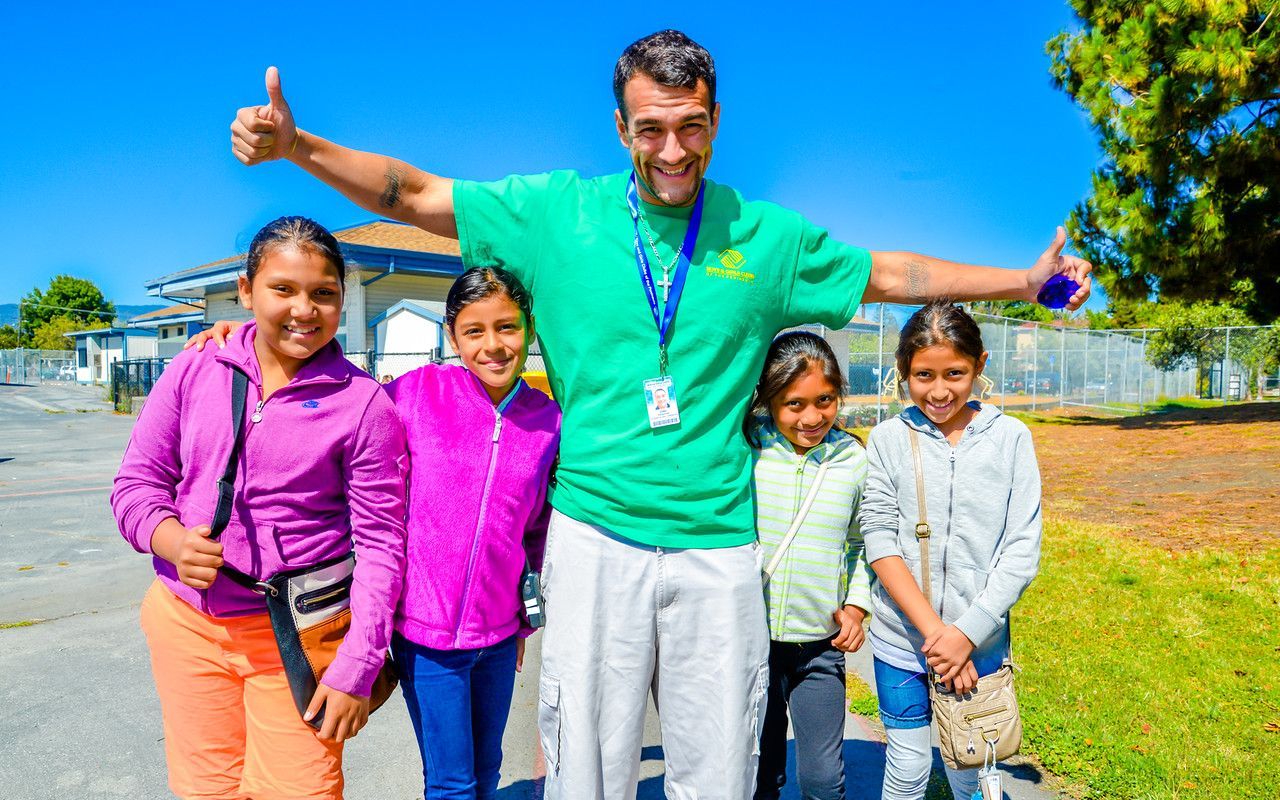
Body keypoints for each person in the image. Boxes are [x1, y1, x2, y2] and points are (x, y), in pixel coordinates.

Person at [224, 30, 1089, 798]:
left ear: (716, 121)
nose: (672, 149)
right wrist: (298, 146)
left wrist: (1021, 282)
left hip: (718, 544)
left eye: (691, 126)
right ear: (620, 128)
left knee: (716, 764)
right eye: (650, 128)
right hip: (596, 534)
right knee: (588, 763)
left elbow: (893, 276)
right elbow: (412, 195)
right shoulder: (556, 212)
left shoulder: (767, 236)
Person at [111, 217, 408, 800]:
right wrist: (169, 539)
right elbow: (136, 484)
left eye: (324, 293)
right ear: (246, 291)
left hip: (297, 636)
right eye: (283, 289)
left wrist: (359, 665)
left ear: (342, 300)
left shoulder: (363, 405)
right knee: (206, 789)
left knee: (302, 790)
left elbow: (382, 546)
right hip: (186, 625)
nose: (305, 308)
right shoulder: (196, 368)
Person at [384, 266, 560, 800]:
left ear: (528, 328)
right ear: (451, 334)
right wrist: (241, 336)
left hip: (500, 638)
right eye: (474, 331)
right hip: (425, 637)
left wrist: (523, 622)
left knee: (488, 772)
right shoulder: (414, 394)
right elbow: (331, 403)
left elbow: (536, 532)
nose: (494, 345)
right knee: (453, 784)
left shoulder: (546, 419)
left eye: (507, 327)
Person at [858, 301, 1042, 800]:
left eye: (955, 373)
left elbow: (1022, 549)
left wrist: (968, 633)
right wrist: (941, 637)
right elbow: (879, 540)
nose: (939, 390)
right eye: (923, 375)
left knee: (971, 772)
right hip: (901, 642)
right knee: (907, 769)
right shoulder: (888, 440)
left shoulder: (1011, 439)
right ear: (904, 372)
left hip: (979, 645)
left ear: (979, 365)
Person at [744, 331, 873, 800]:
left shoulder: (855, 460)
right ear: (770, 401)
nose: (813, 417)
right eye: (793, 404)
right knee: (759, 773)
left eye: (825, 400)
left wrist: (857, 607)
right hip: (749, 646)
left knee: (822, 780)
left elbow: (864, 542)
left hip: (819, 650)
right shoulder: (749, 449)